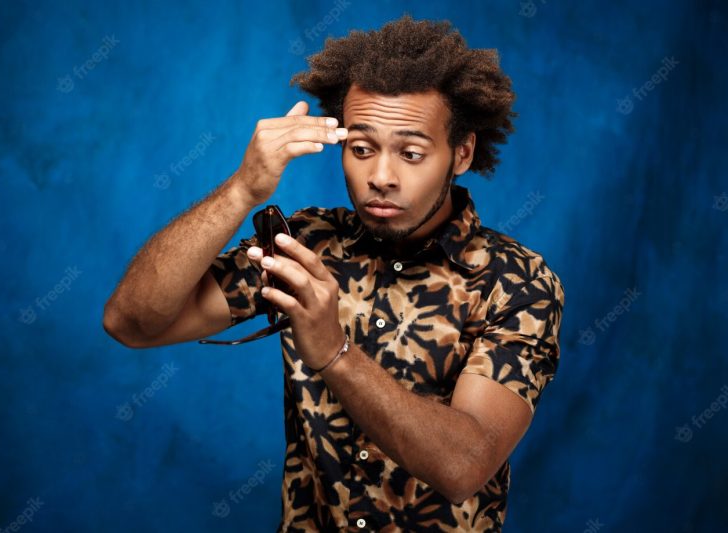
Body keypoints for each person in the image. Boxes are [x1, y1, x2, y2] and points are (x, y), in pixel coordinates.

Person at [103, 14, 565, 532]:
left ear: (461, 153)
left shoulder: (517, 281)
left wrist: (334, 353)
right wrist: (243, 190)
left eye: (411, 153)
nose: (381, 177)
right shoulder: (307, 244)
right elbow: (132, 323)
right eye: (361, 149)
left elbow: (464, 467)